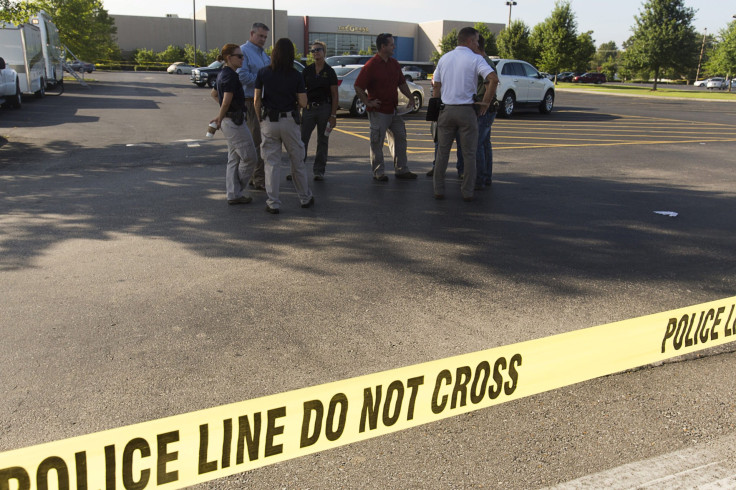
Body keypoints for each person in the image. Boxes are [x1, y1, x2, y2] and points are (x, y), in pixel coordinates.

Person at [432, 27, 498, 201]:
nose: (478, 44)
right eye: (476, 41)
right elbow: (493, 79)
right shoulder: (476, 59)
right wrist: (486, 102)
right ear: (469, 41)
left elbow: (436, 86)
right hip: (467, 111)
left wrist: (435, 108)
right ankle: (467, 191)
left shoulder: (444, 58)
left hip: (446, 110)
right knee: (470, 153)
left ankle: (438, 189)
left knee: (442, 153)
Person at [254, 38, 314, 214]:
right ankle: (304, 197)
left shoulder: (263, 73)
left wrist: (260, 120)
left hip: (269, 121)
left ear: (274, 53)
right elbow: (303, 102)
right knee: (297, 161)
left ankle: (273, 202)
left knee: (271, 163)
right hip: (289, 121)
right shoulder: (296, 75)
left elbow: (257, 100)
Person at [354, 33, 417, 182]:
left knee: (400, 137)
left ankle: (402, 169)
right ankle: (378, 172)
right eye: (391, 44)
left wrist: (410, 97)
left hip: (393, 110)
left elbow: (402, 84)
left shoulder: (394, 63)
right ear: (383, 47)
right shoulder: (371, 65)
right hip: (378, 112)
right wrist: (368, 102)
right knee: (377, 141)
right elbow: (358, 86)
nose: (394, 47)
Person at [210, 43, 258, 205]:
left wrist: (222, 115)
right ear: (229, 58)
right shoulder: (231, 76)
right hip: (234, 121)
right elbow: (226, 100)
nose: (242, 59)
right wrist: (221, 116)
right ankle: (236, 191)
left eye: (242, 56)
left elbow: (214, 94)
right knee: (250, 157)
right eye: (239, 56)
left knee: (234, 159)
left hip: (229, 120)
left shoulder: (222, 73)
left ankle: (233, 194)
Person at [238, 22, 271, 191]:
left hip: (262, 101)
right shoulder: (243, 51)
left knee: (261, 140)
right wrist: (261, 82)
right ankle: (258, 179)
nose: (263, 39)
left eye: (265, 37)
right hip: (249, 101)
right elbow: (242, 76)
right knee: (257, 141)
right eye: (260, 36)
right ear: (252, 34)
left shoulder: (264, 54)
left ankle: (254, 177)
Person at [300, 40, 338, 181]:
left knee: (323, 141)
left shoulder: (330, 72)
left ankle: (319, 171)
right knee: (302, 140)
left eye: (318, 49)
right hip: (309, 109)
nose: (316, 52)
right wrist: (299, 109)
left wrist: (333, 115)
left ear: (324, 52)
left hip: (324, 109)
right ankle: (297, 169)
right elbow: (300, 92)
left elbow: (334, 94)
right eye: (313, 50)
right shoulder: (307, 71)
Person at [472, 34, 499, 189]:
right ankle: (486, 176)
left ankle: (480, 179)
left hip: (484, 109)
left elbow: (491, 82)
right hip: (489, 109)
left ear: (476, 45)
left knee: (476, 144)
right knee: (484, 144)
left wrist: (484, 104)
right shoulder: (486, 61)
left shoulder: (483, 62)